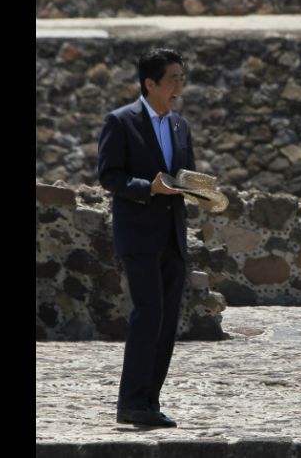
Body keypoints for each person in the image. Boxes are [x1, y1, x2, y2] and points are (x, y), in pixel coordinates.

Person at [98, 48, 195, 427]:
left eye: (182, 79)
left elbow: (185, 177)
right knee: (148, 315)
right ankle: (131, 402)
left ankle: (149, 403)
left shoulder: (180, 126)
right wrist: (148, 188)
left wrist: (203, 192)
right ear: (150, 83)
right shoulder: (121, 122)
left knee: (167, 321)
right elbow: (109, 175)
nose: (179, 87)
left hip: (173, 237)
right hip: (138, 237)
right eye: (173, 80)